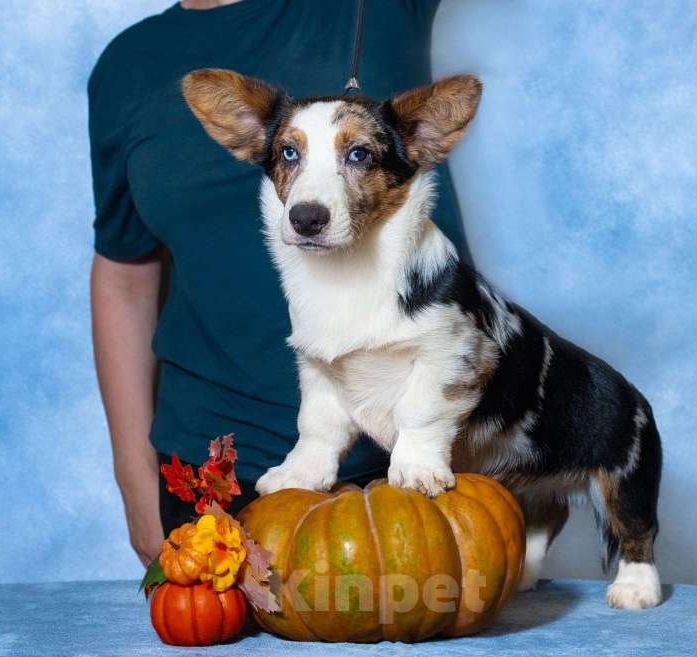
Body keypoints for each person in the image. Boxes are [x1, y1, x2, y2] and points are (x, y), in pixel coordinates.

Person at [88, 0, 471, 566]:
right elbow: (124, 273)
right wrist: (133, 478)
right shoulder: (128, 65)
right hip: (213, 478)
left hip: (410, 461)